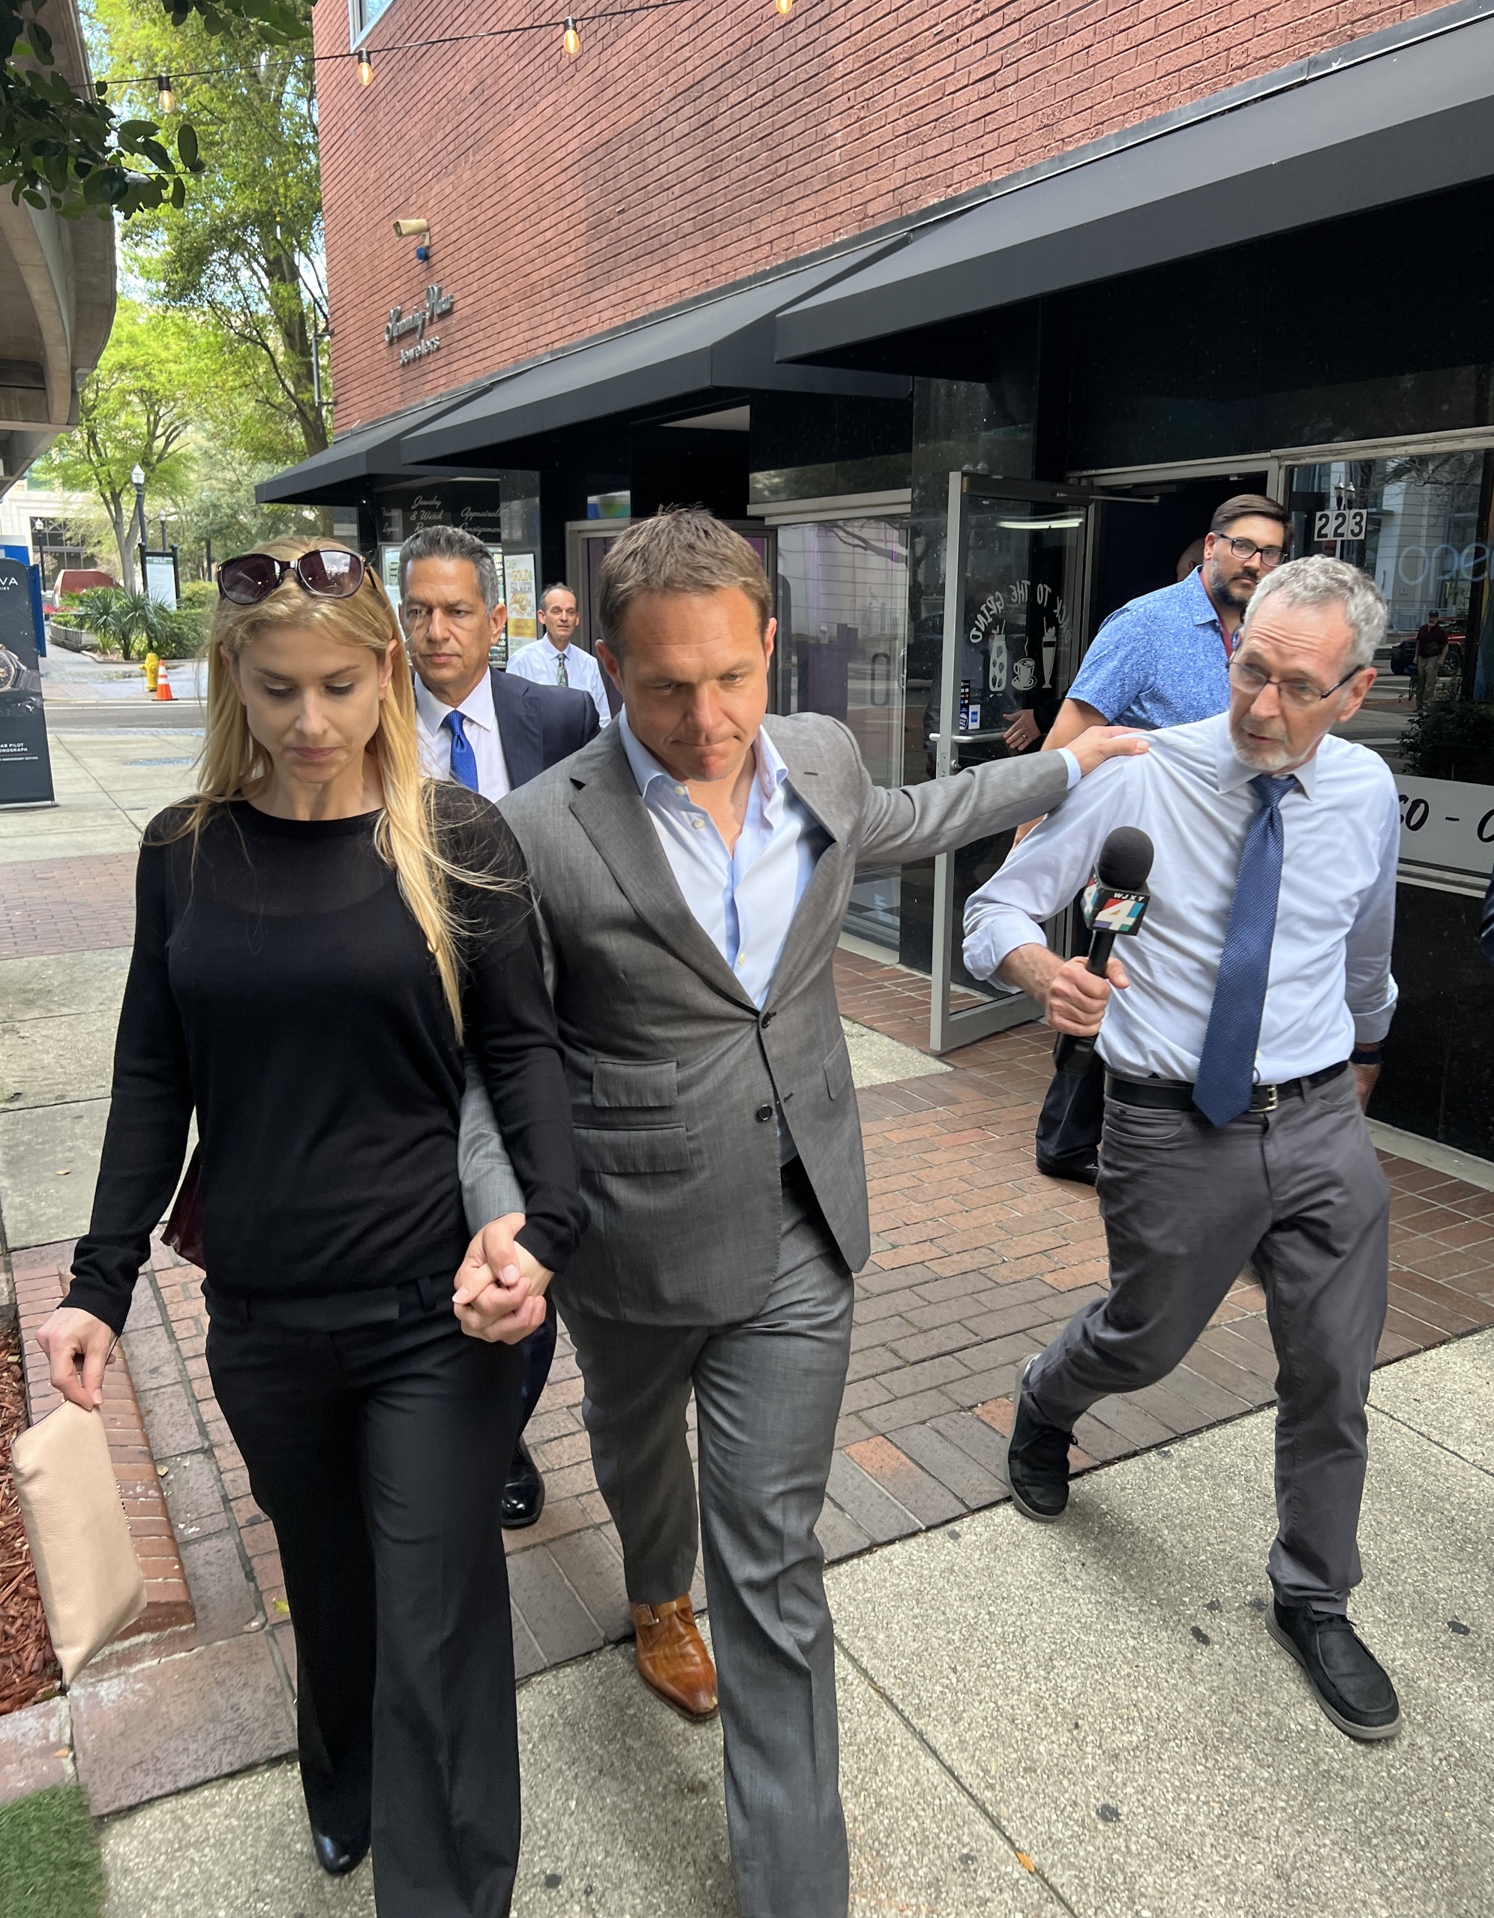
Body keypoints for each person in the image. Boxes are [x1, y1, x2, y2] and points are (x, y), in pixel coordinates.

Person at [459, 508, 1147, 1918]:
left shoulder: (822, 752)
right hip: (629, 1227)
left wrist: (1064, 766)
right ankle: (655, 1593)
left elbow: (911, 820)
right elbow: (491, 1058)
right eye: (664, 688)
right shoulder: (537, 831)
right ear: (608, 666)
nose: (707, 719)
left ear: (772, 646)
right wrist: (500, 1217)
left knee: (771, 1556)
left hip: (803, 1222)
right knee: (634, 1441)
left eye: (731, 678)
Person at [36, 537, 586, 1914]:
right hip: (264, 1321)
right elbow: (154, 1076)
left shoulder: (458, 840)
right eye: (278, 691)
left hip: (431, 1313)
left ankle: (447, 1890)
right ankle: (339, 1785)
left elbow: (523, 1053)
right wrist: (99, 1284)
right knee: (329, 1582)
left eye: (340, 686)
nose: (311, 724)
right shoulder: (186, 853)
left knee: (435, 1611)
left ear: (388, 672)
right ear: (235, 680)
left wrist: (545, 1230)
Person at [965, 554, 1402, 1744]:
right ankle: (1048, 1402)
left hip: (1316, 1118)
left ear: (1354, 692)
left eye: (1298, 686)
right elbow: (990, 910)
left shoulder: (1364, 792)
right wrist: (1039, 969)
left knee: (1333, 1368)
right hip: (1169, 1121)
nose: (1262, 706)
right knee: (1145, 1338)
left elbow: (1365, 950)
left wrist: (1361, 1061)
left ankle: (1313, 1592)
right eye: (1249, 668)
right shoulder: (1142, 782)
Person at [399, 523, 599, 1529]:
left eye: (458, 609)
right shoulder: (366, 717)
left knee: (527, 1241)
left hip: (530, 1022)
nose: (438, 630)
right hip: (411, 1031)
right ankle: (449, 1423)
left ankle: (500, 1424)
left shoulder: (559, 717)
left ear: (497, 617)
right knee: (439, 1238)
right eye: (420, 610)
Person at [1028, 494, 1291, 1184]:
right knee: (1111, 979)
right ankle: (1064, 1137)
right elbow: (1065, 743)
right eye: (1243, 546)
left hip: (1221, 864)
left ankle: (1125, 1135)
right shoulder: (1147, 625)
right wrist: (1027, 857)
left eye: (1270, 552)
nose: (1255, 563)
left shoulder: (1263, 638)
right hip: (1132, 867)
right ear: (1211, 544)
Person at [505, 583, 612, 727]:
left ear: (577, 619)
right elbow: (511, 718)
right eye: (556, 611)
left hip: (584, 748)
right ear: (542, 617)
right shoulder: (522, 661)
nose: (564, 618)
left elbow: (603, 720)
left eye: (570, 612)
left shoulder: (588, 664)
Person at [1413, 609, 1448, 709]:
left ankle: (1426, 702)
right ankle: (1418, 704)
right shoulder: (1423, 629)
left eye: (1434, 617)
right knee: (1420, 681)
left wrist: (1442, 658)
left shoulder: (1440, 631)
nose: (1431, 619)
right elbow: (1418, 643)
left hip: (1433, 657)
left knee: (1430, 681)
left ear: (1437, 618)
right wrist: (1416, 656)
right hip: (1422, 657)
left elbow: (1445, 646)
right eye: (1430, 617)